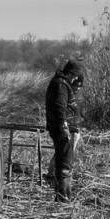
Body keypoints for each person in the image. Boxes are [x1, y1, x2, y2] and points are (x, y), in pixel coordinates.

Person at [44, 60, 85, 202]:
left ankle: (62, 195)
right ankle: (63, 197)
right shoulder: (61, 84)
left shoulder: (61, 83)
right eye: (75, 76)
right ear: (71, 73)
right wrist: (64, 125)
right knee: (65, 162)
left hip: (60, 126)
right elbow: (59, 107)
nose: (75, 80)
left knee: (63, 159)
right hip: (61, 127)